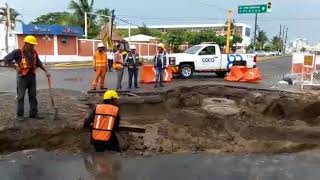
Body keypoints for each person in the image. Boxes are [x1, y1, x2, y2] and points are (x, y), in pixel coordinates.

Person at [3, 35, 50, 120]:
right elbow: (6, 59)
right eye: (31, 45)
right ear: (26, 44)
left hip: (32, 76)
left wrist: (46, 71)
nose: (33, 46)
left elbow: (39, 63)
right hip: (22, 77)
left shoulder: (34, 52)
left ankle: (33, 114)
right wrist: (14, 66)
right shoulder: (17, 52)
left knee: (33, 96)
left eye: (33, 45)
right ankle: (20, 115)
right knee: (20, 96)